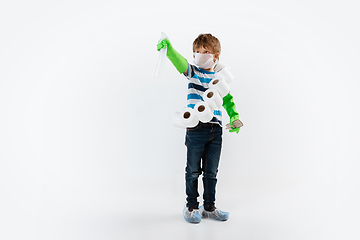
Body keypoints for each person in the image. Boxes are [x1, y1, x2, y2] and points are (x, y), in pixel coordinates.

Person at [157, 33, 243, 223]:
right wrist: (169, 49)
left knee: (211, 172)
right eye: (196, 51)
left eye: (205, 51)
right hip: (195, 128)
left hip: (215, 130)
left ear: (216, 55)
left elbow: (228, 100)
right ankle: (191, 207)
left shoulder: (220, 79)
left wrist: (234, 116)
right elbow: (180, 63)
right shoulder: (193, 72)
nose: (200, 55)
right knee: (193, 171)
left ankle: (209, 207)